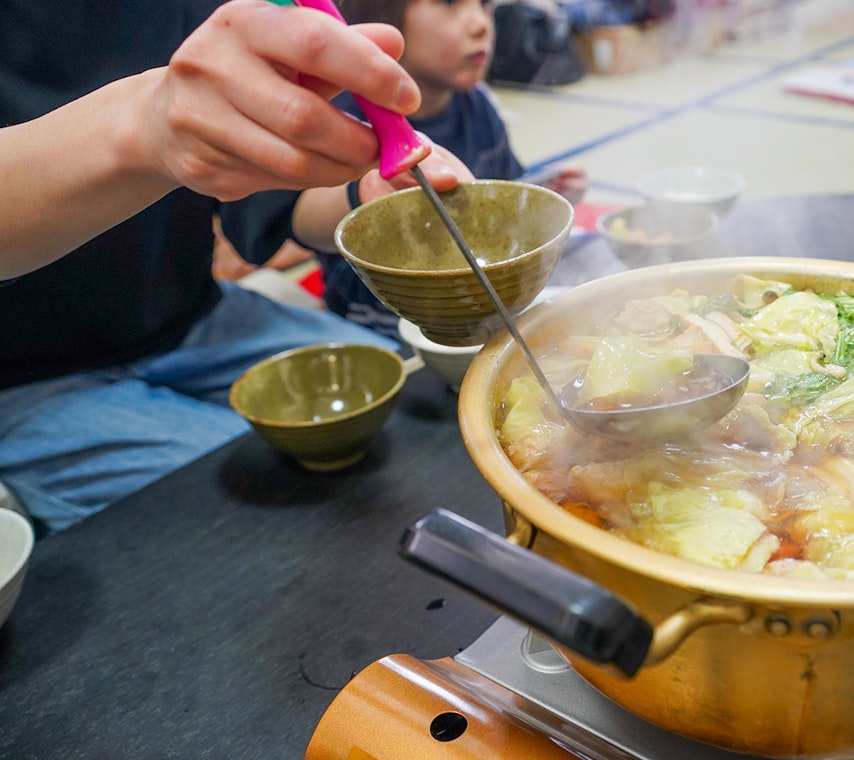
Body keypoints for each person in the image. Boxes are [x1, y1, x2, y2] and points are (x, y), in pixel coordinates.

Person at [0, 0, 472, 535]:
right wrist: (146, 124)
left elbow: (277, 200)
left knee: (412, 391)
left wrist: (369, 201)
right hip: (21, 377)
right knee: (258, 512)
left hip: (193, 316)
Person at [281, 0, 589, 337]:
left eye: (485, 5)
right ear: (382, 17)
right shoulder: (341, 114)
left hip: (486, 306)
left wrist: (543, 198)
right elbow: (297, 217)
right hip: (381, 320)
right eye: (450, 3)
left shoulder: (478, 105)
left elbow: (505, 188)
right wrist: (361, 193)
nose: (480, 25)